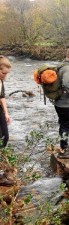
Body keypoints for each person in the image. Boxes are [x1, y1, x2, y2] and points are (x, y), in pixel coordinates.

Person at [0, 55, 15, 186]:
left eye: (7, 73)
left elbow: (2, 96)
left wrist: (6, 113)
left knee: (4, 137)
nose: (5, 76)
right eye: (3, 73)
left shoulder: (1, 80)